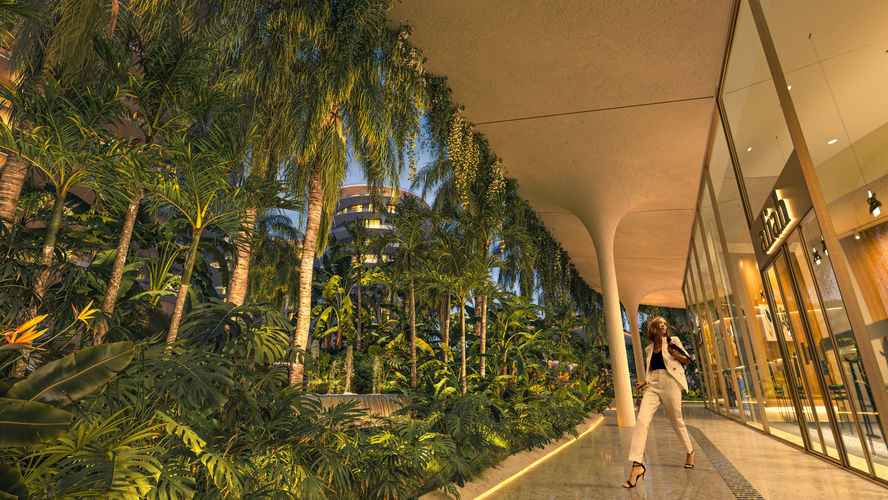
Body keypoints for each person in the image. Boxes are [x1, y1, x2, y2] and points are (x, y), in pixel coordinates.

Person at [622, 316, 694, 488]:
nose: (662, 325)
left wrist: (673, 352)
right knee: (641, 421)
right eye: (659, 323)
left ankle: (690, 452)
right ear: (653, 328)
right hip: (653, 385)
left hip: (671, 383)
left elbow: (688, 360)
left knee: (677, 421)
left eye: (664, 323)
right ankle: (636, 466)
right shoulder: (648, 349)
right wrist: (645, 381)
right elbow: (652, 369)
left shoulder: (673, 341)